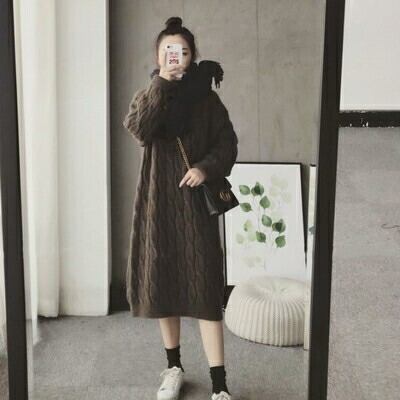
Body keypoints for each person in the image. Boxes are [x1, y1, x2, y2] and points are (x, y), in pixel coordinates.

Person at [123, 16, 238, 400]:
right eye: (169, 52)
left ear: (192, 56)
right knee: (165, 287)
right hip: (158, 202)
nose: (177, 58)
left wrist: (204, 169)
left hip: (195, 207)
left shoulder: (206, 99)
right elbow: (139, 129)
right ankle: (173, 368)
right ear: (158, 56)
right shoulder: (148, 95)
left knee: (205, 292)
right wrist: (161, 84)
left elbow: (227, 143)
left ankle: (219, 385)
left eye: (183, 52)